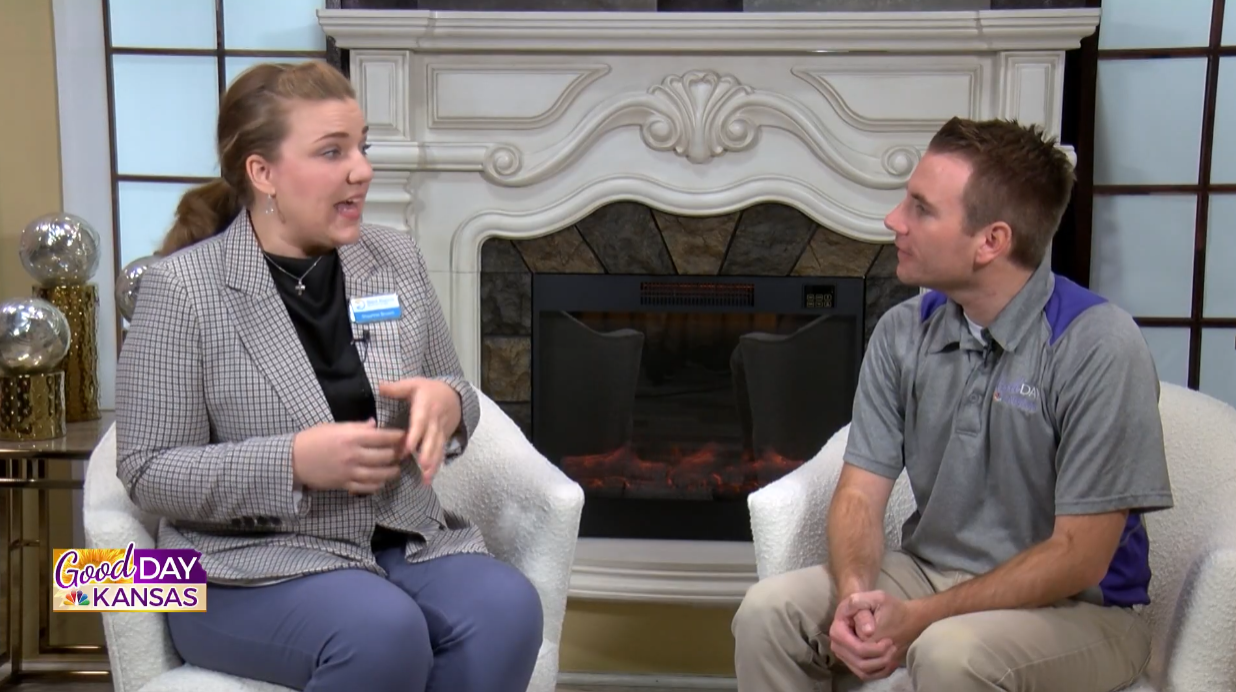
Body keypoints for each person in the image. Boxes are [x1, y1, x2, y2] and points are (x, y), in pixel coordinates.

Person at [115, 60, 543, 692]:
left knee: (507, 608)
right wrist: (293, 462)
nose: (362, 170)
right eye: (332, 151)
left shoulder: (392, 257)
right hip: (243, 567)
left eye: (362, 146)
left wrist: (447, 405)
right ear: (263, 173)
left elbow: (456, 391)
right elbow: (146, 470)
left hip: (403, 539)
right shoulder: (183, 289)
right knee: (380, 630)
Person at [731, 117, 1174, 692]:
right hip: (926, 573)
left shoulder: (1097, 345)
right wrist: (858, 596)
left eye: (921, 208)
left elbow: (1078, 557)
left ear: (991, 241)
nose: (895, 221)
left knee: (949, 653)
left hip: (1078, 610)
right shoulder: (901, 332)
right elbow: (860, 494)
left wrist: (921, 619)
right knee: (768, 613)